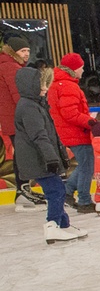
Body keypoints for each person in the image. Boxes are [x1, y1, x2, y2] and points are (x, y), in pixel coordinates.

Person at [13, 66, 87, 243]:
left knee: (57, 190)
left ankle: (63, 224)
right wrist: (52, 158)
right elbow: (39, 135)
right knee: (56, 190)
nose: (45, 88)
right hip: (38, 159)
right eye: (41, 85)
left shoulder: (34, 104)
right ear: (29, 86)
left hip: (40, 158)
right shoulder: (28, 107)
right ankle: (52, 225)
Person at [1, 35, 47, 211]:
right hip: (18, 120)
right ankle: (22, 192)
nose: (26, 54)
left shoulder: (11, 65)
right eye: (22, 51)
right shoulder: (10, 67)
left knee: (22, 155)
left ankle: (23, 190)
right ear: (13, 51)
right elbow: (19, 95)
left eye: (28, 50)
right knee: (24, 156)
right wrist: (29, 116)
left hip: (14, 119)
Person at [47, 52, 97, 214]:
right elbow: (70, 114)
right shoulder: (67, 85)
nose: (83, 71)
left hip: (71, 132)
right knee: (87, 166)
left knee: (84, 164)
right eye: (81, 68)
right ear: (74, 69)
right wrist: (90, 122)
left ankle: (67, 192)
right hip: (76, 132)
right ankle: (84, 200)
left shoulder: (60, 83)